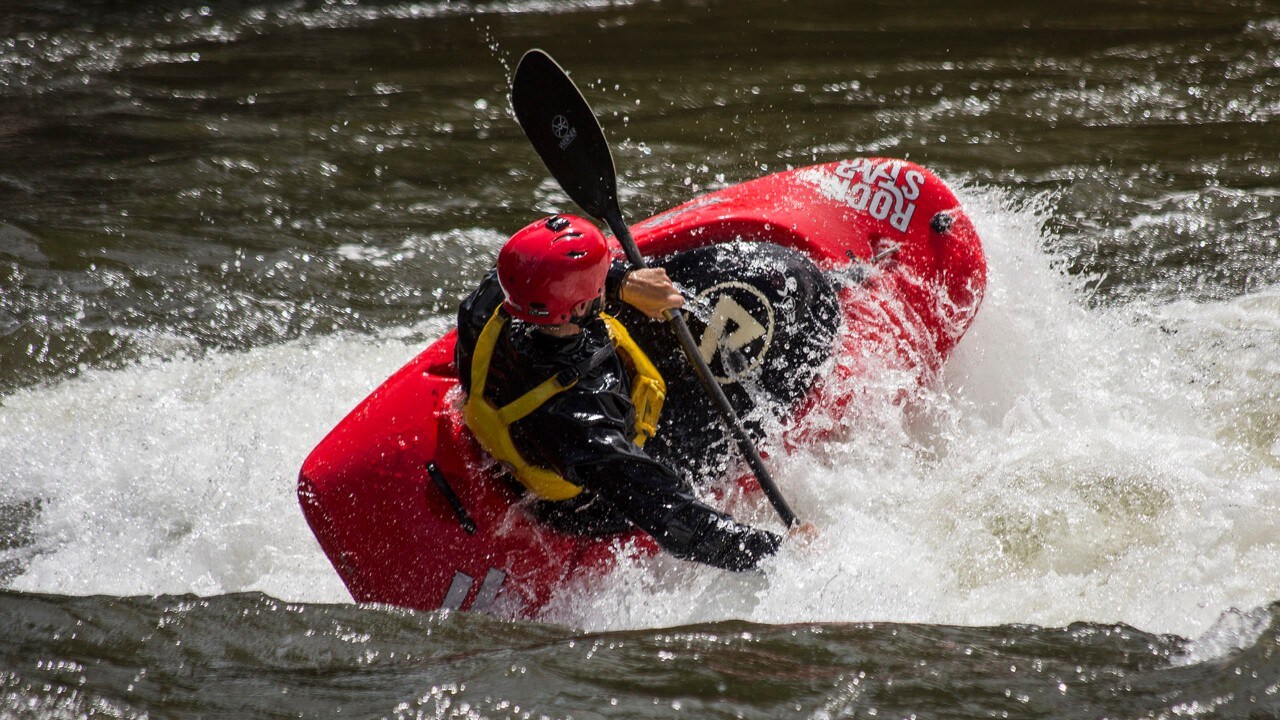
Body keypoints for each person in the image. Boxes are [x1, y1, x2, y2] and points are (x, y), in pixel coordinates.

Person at [456, 214, 793, 571]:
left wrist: (623, 282)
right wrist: (780, 554)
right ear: (580, 306)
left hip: (540, 422)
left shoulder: (493, 298)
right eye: (599, 280)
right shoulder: (585, 421)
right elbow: (679, 524)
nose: (605, 281)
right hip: (587, 499)